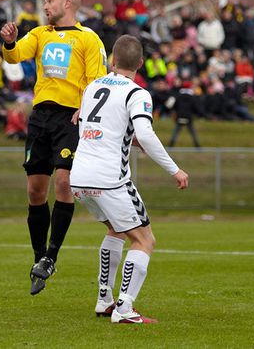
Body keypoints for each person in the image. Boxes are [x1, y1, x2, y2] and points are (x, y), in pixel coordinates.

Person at [70, 35, 189, 324]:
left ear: (112, 60)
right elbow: (145, 133)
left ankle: (104, 300)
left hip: (80, 176)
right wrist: (174, 169)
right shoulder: (137, 93)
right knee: (145, 240)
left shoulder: (92, 87)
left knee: (116, 230)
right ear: (141, 63)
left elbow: (89, 128)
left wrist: (128, 141)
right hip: (109, 179)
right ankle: (124, 308)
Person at [0, 0, 107, 295]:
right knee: (35, 190)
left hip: (69, 117)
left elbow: (96, 80)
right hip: (40, 118)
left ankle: (51, 256)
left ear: (67, 3)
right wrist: (9, 42)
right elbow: (14, 56)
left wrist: (85, 109)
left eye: (49, 0)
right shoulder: (39, 34)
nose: (45, 6)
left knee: (63, 182)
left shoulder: (88, 38)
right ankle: (39, 257)